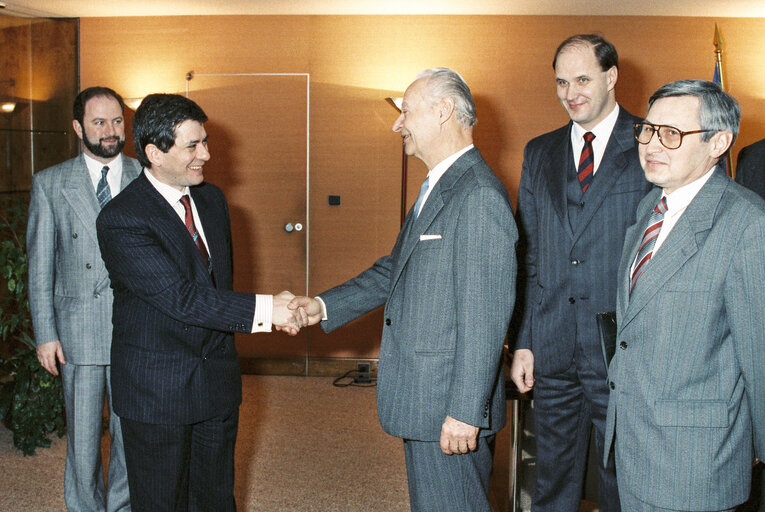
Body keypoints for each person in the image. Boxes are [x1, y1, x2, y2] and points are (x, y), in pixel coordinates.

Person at [290, 68, 516, 512]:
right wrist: (322, 305)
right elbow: (396, 268)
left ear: (443, 110)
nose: (398, 123)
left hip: (449, 404)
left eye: (406, 111)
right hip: (427, 397)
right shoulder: (441, 185)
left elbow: (484, 316)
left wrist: (467, 411)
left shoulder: (477, 196)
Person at [95, 93, 304, 511]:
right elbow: (182, 298)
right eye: (193, 146)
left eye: (204, 141)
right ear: (154, 152)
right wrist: (267, 310)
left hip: (217, 385)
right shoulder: (122, 218)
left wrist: (267, 308)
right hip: (157, 393)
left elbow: (216, 288)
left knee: (215, 500)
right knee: (161, 503)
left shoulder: (212, 200)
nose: (206, 154)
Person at [604, 79, 765, 511]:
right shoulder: (648, 209)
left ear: (719, 142)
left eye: (672, 134)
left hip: (696, 464)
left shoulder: (748, 225)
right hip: (635, 447)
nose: (652, 145)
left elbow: (761, 358)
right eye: (648, 129)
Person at [510, 34, 652, 511]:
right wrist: (525, 340)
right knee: (550, 480)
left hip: (622, 351)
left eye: (584, 79)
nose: (572, 92)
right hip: (551, 348)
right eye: (562, 82)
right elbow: (526, 256)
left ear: (611, 77)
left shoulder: (649, 143)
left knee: (621, 482)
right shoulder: (538, 152)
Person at [27, 86, 140, 512]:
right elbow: (40, 267)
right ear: (78, 127)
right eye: (98, 122)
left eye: (116, 121)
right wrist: (45, 335)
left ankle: (123, 507)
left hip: (135, 330)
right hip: (78, 331)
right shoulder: (51, 183)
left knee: (132, 434)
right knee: (83, 439)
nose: (110, 131)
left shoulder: (146, 175)